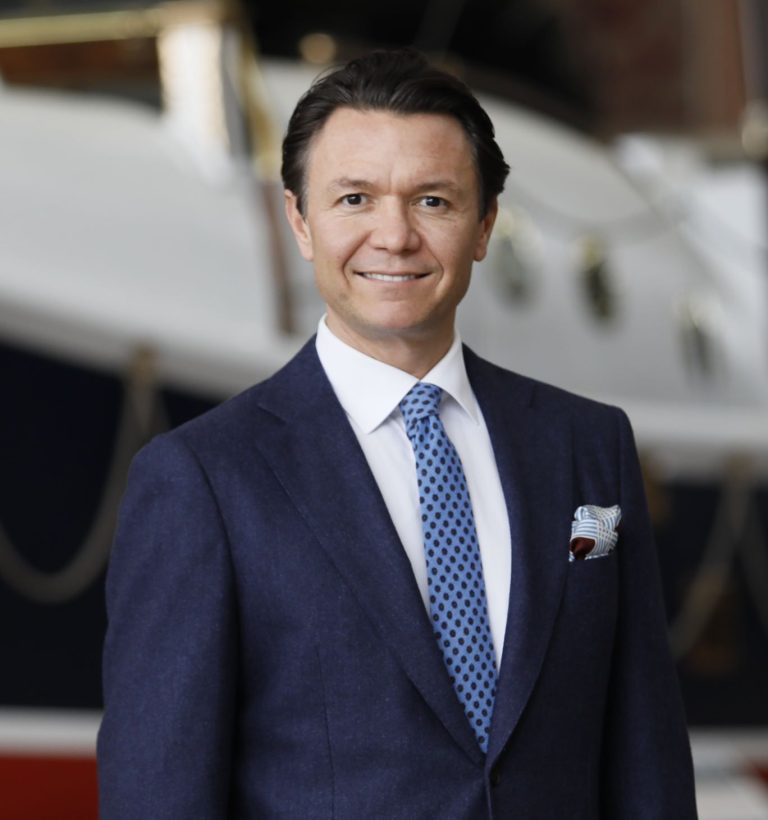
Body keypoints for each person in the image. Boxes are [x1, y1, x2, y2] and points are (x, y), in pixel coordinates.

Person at [97, 49, 698, 818]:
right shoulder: (203, 480)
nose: (395, 235)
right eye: (354, 199)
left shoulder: (590, 447)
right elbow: (158, 793)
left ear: (484, 225)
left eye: (433, 201)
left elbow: (647, 761)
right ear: (299, 221)